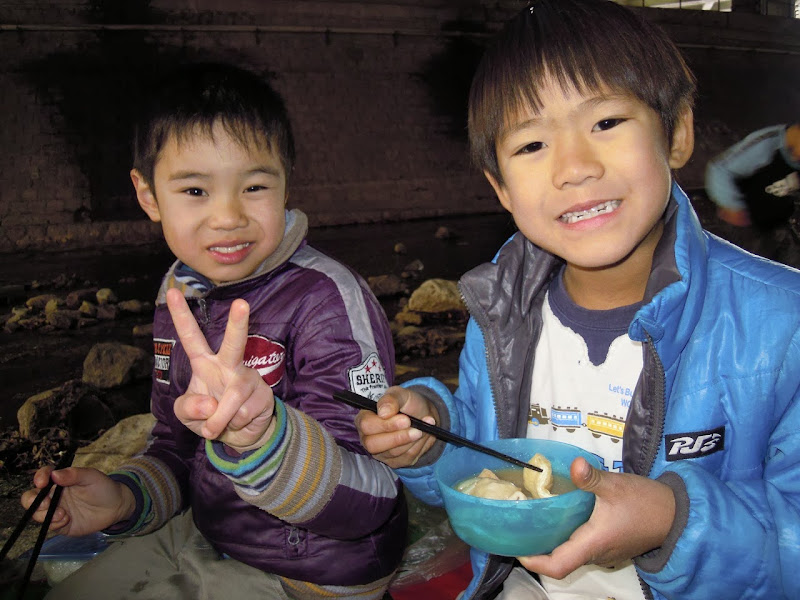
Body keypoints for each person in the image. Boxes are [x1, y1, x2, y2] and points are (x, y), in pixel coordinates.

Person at [355, 2, 800, 599]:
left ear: (677, 133)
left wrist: (672, 523)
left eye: (607, 122)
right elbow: (488, 460)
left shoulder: (784, 326)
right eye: (532, 145)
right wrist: (433, 439)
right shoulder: (502, 315)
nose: (574, 168)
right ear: (501, 188)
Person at [21, 63, 406, 600]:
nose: (228, 217)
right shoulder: (179, 295)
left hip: (316, 567)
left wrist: (266, 440)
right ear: (148, 195)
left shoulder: (325, 300)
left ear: (286, 183)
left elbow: (373, 494)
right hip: (214, 532)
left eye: (254, 186)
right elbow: (177, 447)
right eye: (196, 190)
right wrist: (124, 498)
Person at [705, 122, 800, 228]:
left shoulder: (795, 155)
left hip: (775, 224)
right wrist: (733, 206)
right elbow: (719, 170)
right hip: (740, 221)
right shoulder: (765, 145)